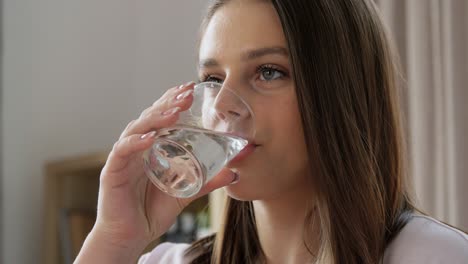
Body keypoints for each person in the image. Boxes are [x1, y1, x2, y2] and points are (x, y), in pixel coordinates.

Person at [75, 0, 468, 263]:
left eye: (268, 72)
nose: (222, 104)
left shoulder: (433, 256)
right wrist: (113, 239)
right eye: (212, 77)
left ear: (341, 94)